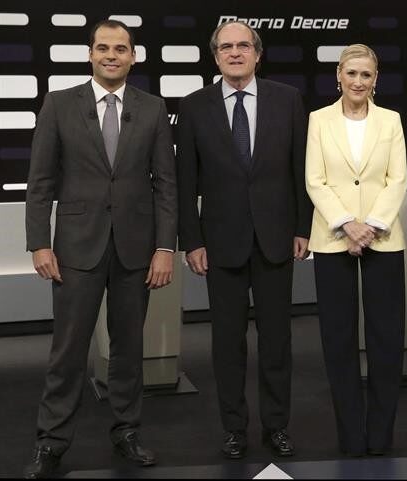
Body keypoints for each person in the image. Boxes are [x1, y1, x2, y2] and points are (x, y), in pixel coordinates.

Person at [23, 19, 177, 478]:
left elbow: (166, 184)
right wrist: (39, 243)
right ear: (90, 54)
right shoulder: (58, 104)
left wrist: (164, 247)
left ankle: (126, 431)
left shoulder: (152, 108)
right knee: (68, 350)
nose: (112, 55)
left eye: (121, 48)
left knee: (128, 348)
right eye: (103, 48)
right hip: (75, 247)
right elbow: (40, 181)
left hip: (136, 248)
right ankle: (51, 442)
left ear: (134, 56)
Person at [177, 21, 312, 459]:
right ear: (215, 56)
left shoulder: (287, 99)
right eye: (226, 47)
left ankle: (277, 426)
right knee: (226, 343)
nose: (235, 53)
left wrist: (302, 228)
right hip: (220, 244)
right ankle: (234, 428)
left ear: (257, 53)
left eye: (243, 46)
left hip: (276, 239)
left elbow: (300, 169)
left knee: (277, 341)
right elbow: (185, 181)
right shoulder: (194, 106)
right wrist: (191, 240)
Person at [305, 44, 407, 457]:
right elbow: (314, 180)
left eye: (366, 75)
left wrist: (372, 226)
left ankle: (381, 436)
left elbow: (397, 179)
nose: (358, 82)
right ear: (339, 75)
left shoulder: (391, 120)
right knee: (339, 340)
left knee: (386, 340)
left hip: (383, 237)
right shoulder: (318, 120)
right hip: (334, 238)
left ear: (375, 78)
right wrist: (347, 224)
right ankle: (350, 436)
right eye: (352, 73)